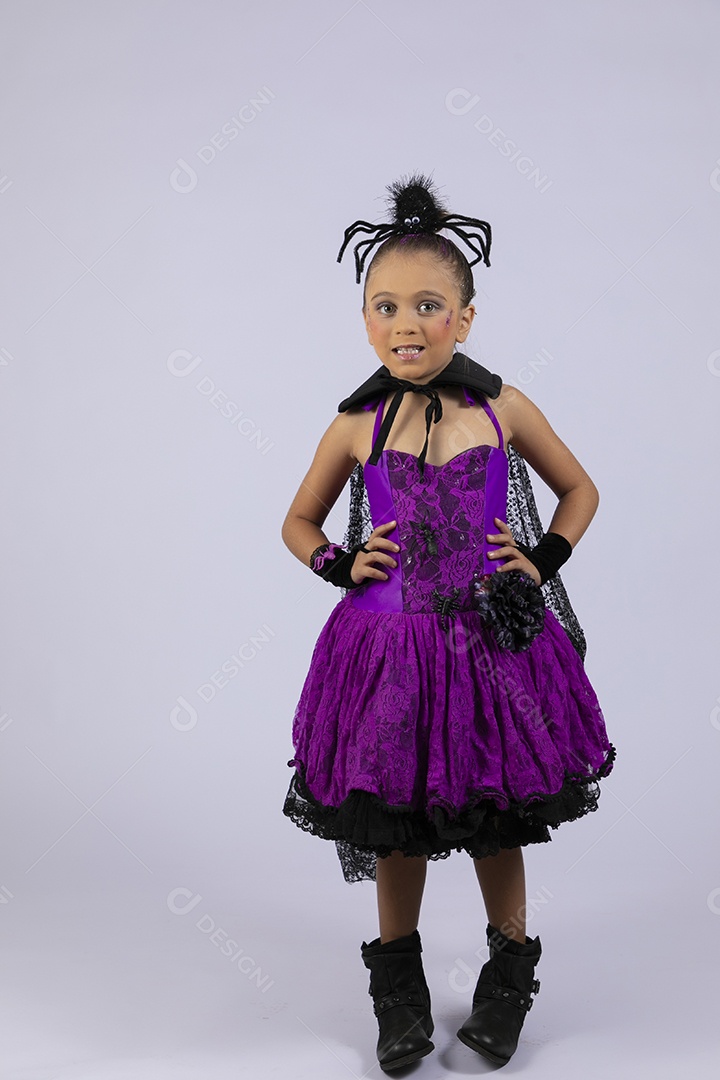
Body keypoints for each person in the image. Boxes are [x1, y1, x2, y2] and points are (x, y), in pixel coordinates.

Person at [281, 175, 616, 1073]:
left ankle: (508, 978)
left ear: (464, 318)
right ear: (365, 320)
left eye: (428, 305)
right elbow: (298, 521)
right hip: (388, 650)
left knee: (497, 817)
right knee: (396, 817)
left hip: (490, 653)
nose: (406, 323)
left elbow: (579, 489)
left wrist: (540, 560)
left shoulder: (504, 408)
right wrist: (340, 564)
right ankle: (400, 992)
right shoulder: (355, 424)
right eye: (385, 306)